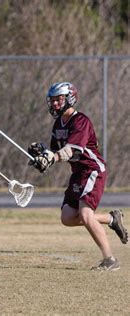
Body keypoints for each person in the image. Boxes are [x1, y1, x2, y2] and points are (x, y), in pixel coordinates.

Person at [28, 81, 128, 271]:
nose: (55, 104)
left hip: (92, 170)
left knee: (85, 213)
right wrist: (41, 154)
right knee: (67, 217)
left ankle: (110, 260)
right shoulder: (59, 123)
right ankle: (111, 219)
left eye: (59, 100)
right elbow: (55, 152)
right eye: (53, 100)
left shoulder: (81, 121)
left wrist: (52, 156)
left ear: (70, 98)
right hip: (78, 173)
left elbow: (71, 151)